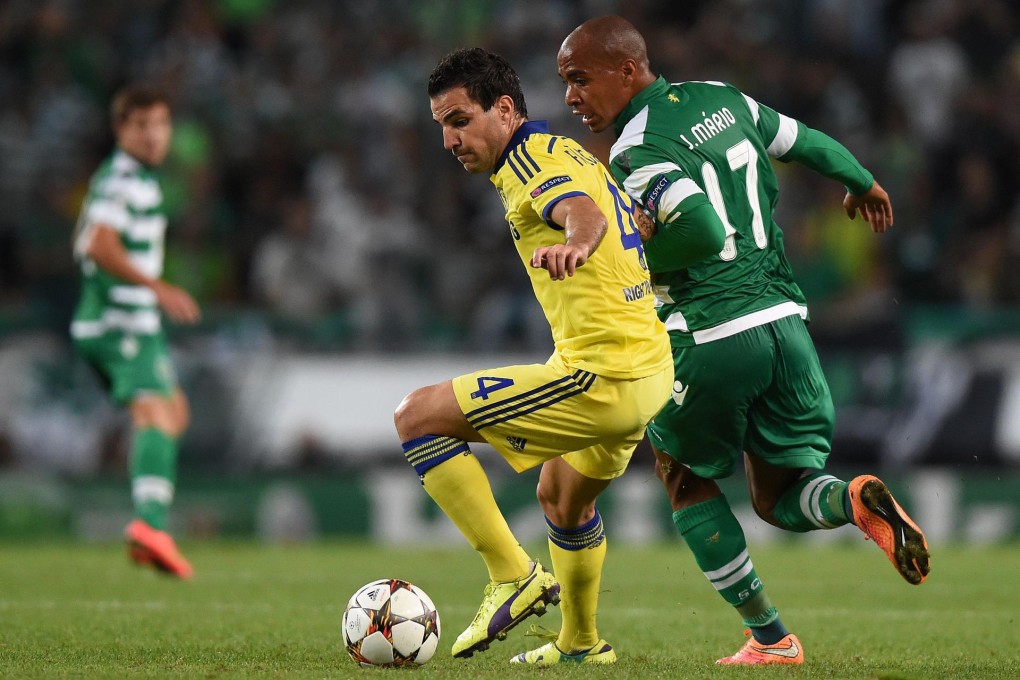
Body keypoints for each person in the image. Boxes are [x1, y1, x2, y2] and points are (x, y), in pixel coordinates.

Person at [556, 16, 931, 666]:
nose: (571, 97)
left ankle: (771, 639)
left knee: (682, 479)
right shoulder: (726, 99)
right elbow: (806, 140)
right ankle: (853, 499)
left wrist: (636, 251)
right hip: (786, 325)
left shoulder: (637, 149)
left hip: (709, 333)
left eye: (579, 79)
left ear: (627, 69)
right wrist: (860, 181)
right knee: (779, 495)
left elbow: (699, 232)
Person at [395, 47, 673, 665]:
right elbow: (612, 209)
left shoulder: (529, 164)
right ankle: (581, 643)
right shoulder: (566, 148)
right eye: (441, 124)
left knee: (416, 417)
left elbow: (582, 213)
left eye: (459, 120)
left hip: (603, 374)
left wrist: (577, 243)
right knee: (562, 498)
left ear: (503, 109)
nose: (448, 139)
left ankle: (512, 575)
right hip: (648, 364)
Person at [71, 86, 200, 579]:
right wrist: (157, 287)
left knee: (175, 413)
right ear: (121, 129)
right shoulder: (123, 180)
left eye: (161, 124)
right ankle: (150, 527)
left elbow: (86, 238)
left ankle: (150, 526)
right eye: (141, 125)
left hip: (136, 324)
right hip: (118, 322)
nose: (153, 135)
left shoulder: (126, 179)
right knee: (155, 413)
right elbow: (101, 246)